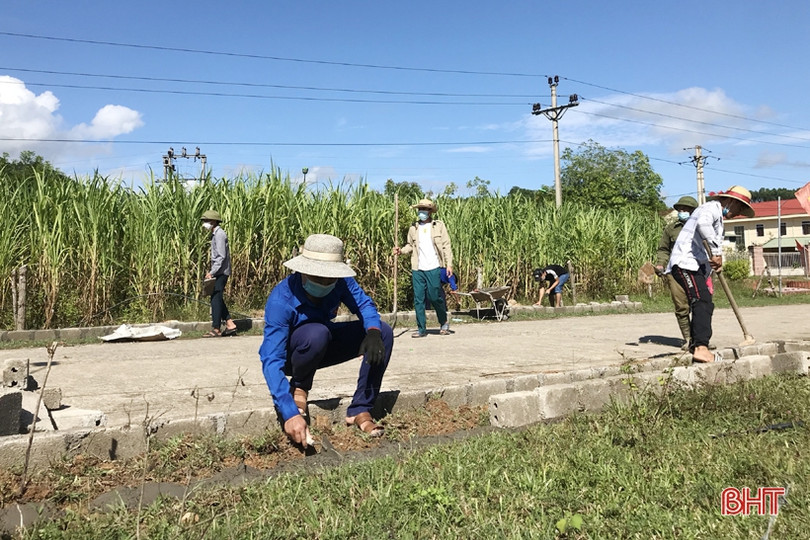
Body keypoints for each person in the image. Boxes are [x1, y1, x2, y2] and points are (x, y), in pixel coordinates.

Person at [259, 234, 394, 448]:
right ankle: (300, 387)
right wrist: (289, 413)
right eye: (318, 278)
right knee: (316, 333)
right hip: (294, 356)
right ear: (303, 272)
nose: (325, 283)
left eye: (330, 278)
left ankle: (360, 407)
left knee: (384, 332)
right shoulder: (281, 300)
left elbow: (364, 305)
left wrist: (373, 331)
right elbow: (271, 358)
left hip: (324, 343)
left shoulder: (341, 283)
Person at [666, 186, 755, 363]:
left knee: (706, 302)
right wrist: (715, 253)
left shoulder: (718, 218)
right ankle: (701, 348)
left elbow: (710, 242)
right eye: (739, 209)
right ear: (731, 202)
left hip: (696, 265)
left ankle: (696, 346)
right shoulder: (710, 208)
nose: (738, 214)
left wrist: (714, 262)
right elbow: (703, 225)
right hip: (685, 264)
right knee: (702, 300)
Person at [393, 198, 454, 338]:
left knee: (434, 296)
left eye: (425, 209)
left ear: (430, 211)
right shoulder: (413, 228)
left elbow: (446, 245)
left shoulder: (438, 226)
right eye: (420, 209)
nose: (422, 212)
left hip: (434, 267)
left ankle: (443, 321)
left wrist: (449, 264)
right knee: (418, 298)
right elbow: (410, 245)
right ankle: (421, 328)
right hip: (418, 267)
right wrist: (400, 251)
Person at [655, 196, 699, 350]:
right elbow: (663, 249)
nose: (682, 212)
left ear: (693, 211)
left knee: (700, 305)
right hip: (675, 271)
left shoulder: (700, 226)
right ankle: (688, 338)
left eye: (686, 209)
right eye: (680, 209)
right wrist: (660, 264)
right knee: (681, 306)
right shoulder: (671, 229)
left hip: (697, 270)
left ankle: (699, 340)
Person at [201, 210, 238, 338]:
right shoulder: (215, 234)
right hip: (219, 270)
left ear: (214, 221)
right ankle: (230, 324)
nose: (205, 223)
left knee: (215, 298)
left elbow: (221, 256)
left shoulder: (219, 235)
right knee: (216, 298)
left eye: (207, 221)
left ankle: (216, 328)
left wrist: (212, 272)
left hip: (221, 271)